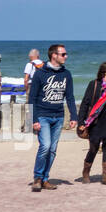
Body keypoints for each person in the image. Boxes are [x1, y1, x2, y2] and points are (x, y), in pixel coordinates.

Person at [27, 44, 78, 191]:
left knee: (53, 149)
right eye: (63, 54)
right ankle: (37, 177)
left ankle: (45, 178)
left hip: (58, 117)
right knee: (45, 146)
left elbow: (70, 97)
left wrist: (74, 116)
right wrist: (34, 120)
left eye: (65, 54)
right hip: (42, 115)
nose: (66, 56)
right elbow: (32, 98)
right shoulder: (40, 73)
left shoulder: (66, 74)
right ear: (53, 55)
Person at [78, 61, 106, 185]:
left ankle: (105, 177)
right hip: (96, 122)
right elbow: (85, 104)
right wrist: (81, 121)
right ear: (105, 71)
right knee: (93, 148)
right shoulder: (94, 84)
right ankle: (86, 174)